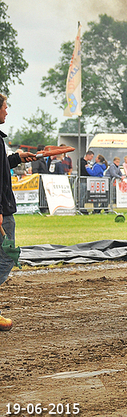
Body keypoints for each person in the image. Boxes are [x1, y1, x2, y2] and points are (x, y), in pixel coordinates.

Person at [0, 93, 37, 331]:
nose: (6, 111)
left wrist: (15, 158)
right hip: (3, 212)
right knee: (7, 256)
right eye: (4, 107)